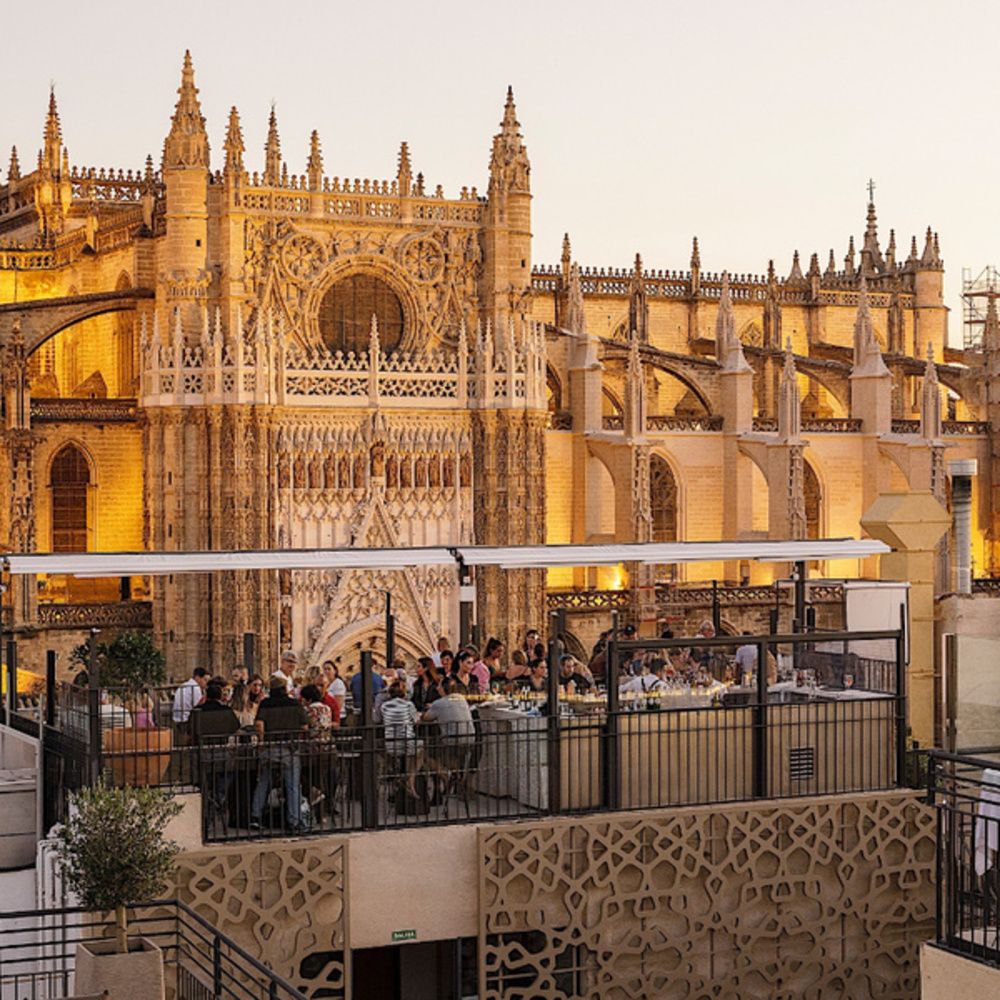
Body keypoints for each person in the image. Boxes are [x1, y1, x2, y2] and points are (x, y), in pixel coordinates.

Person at [250, 675, 309, 834]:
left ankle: (255, 816)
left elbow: (259, 724)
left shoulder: (266, 704)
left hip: (270, 748)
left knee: (263, 781)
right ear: (284, 689)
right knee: (292, 785)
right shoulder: (295, 704)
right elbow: (304, 727)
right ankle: (294, 821)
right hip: (289, 749)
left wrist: (262, 743)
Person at [422, 676, 475, 770]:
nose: (437, 688)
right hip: (469, 738)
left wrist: (430, 708)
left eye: (439, 685)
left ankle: (445, 775)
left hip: (451, 741)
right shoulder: (461, 698)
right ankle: (455, 774)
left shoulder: (438, 703)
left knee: (425, 753)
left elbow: (425, 718)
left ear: (443, 688)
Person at [380, 682, 422, 797]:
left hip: (390, 744)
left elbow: (378, 719)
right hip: (407, 742)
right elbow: (416, 721)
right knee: (421, 749)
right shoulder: (408, 705)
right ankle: (410, 779)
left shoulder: (384, 706)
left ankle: (399, 778)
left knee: (397, 757)